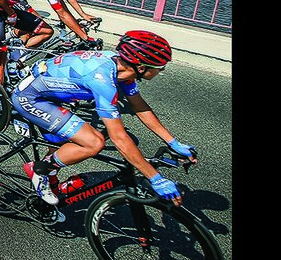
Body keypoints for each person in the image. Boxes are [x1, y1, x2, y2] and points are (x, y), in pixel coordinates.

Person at [11, 30, 196, 208]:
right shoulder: (103, 81)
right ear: (141, 67)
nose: (161, 70)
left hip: (49, 93)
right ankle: (40, 170)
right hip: (31, 98)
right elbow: (119, 138)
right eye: (159, 67)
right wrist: (155, 178)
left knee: (79, 138)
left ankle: (50, 172)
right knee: (94, 142)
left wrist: (173, 142)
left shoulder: (122, 69)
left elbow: (140, 107)